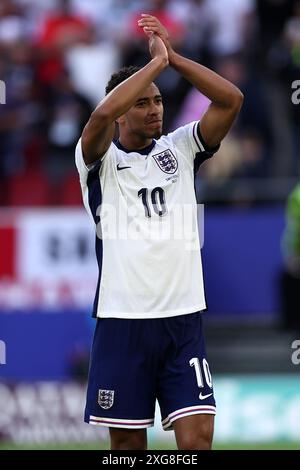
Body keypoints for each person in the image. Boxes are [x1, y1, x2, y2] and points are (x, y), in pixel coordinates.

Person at [75, 14, 243, 450]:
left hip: (182, 319)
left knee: (199, 439)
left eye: (158, 101)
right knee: (129, 449)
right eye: (143, 103)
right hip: (123, 320)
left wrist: (173, 59)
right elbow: (101, 114)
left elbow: (230, 99)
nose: (155, 110)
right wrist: (154, 65)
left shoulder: (181, 147)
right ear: (122, 113)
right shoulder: (98, 161)